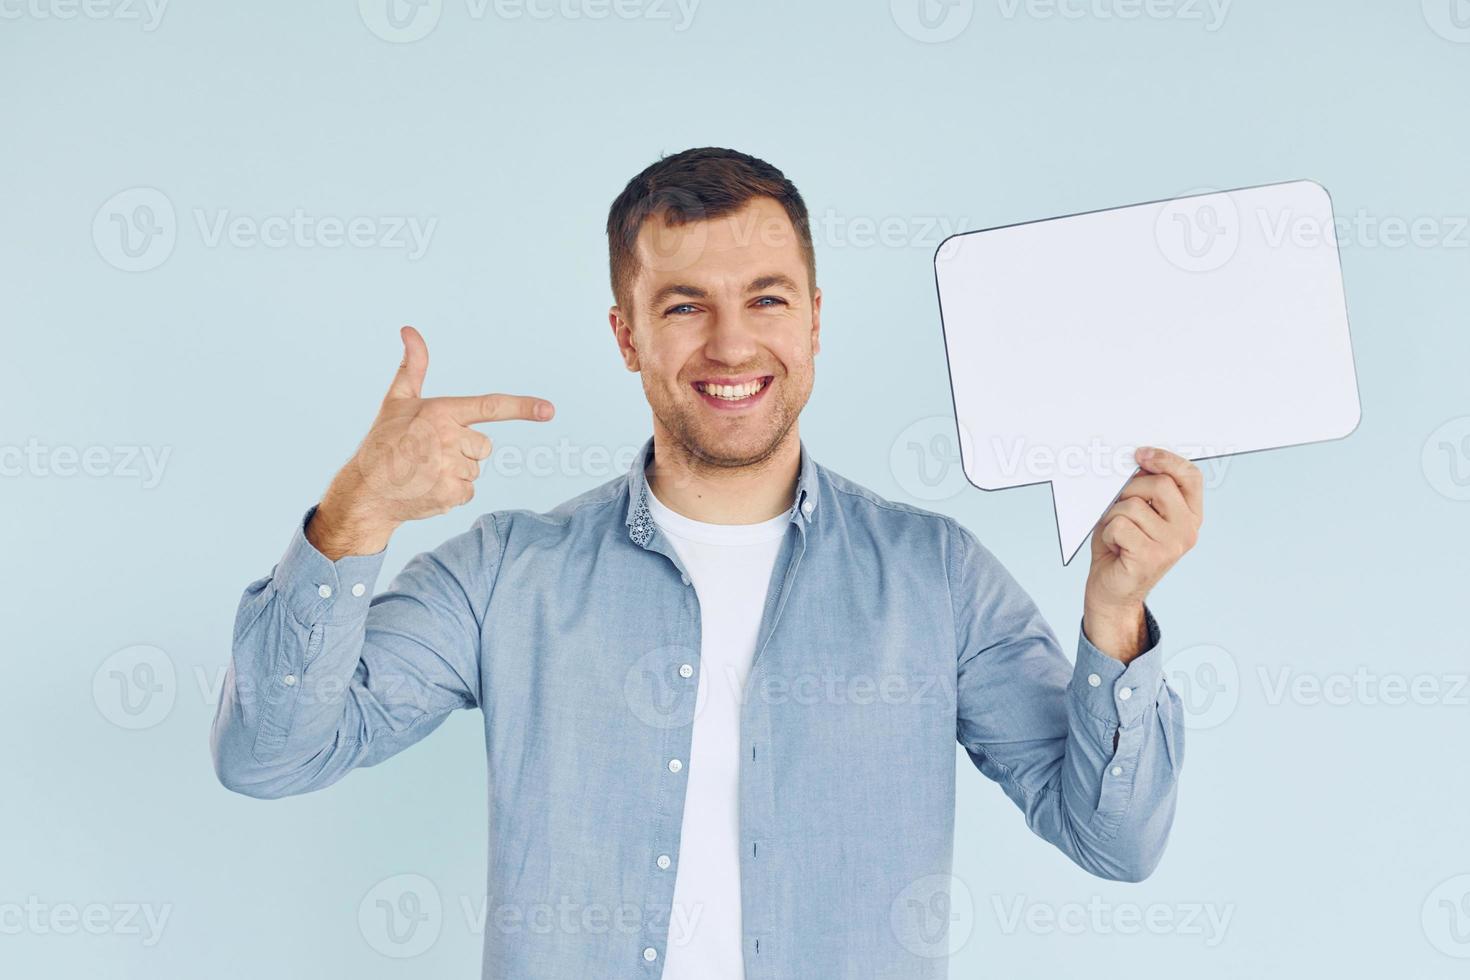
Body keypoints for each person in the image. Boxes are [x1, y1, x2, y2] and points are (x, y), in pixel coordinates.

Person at [211, 146, 1202, 979]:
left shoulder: (935, 576)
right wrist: (361, 510)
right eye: (684, 306)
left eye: (765, 298)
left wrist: (1117, 612)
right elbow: (269, 751)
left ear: (814, 317)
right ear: (626, 335)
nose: (732, 342)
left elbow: (1114, 839)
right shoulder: (510, 573)